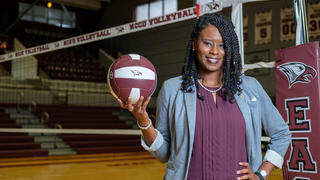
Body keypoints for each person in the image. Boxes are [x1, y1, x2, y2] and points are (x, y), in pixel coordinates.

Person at [118, 13, 291, 180]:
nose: (215, 51)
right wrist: (143, 121)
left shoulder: (250, 87)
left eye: (222, 45)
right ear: (194, 44)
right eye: (207, 43)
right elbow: (164, 154)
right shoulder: (172, 89)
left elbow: (281, 134)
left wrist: (261, 174)